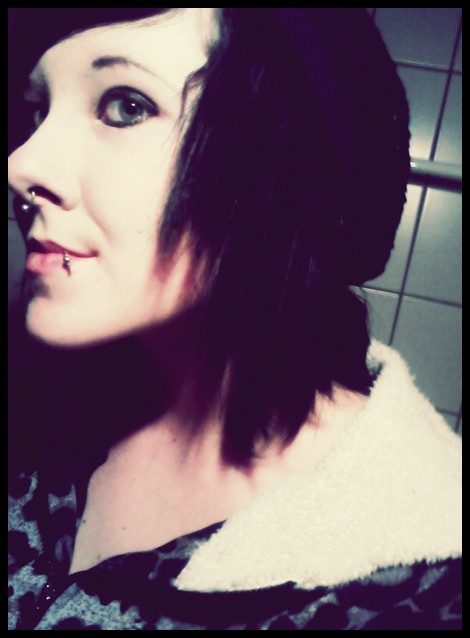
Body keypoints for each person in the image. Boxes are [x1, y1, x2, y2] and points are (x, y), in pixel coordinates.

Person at [8, 8, 461, 630]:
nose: (22, 165)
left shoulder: (422, 582)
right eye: (38, 111)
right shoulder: (43, 399)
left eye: (125, 106)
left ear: (287, 170)